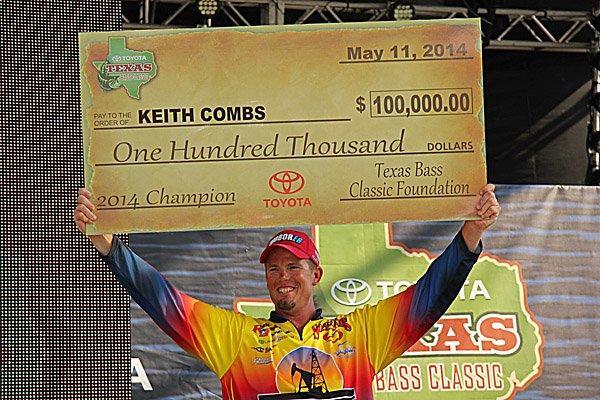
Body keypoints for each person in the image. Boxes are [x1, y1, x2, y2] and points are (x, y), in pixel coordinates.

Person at [74, 184, 500, 400]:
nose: (283, 277)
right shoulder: (237, 340)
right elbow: (163, 299)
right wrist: (109, 245)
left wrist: (470, 234)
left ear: (316, 274)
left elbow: (428, 296)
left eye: (294, 266)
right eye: (274, 268)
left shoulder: (361, 334)